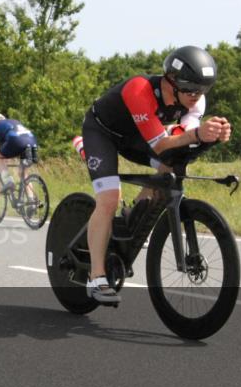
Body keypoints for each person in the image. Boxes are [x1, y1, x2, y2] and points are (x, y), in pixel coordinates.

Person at [80, 46, 231, 304]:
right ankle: (96, 278)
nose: (196, 96)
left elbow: (182, 139)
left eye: (202, 90)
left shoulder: (196, 100)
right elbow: (161, 145)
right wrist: (198, 134)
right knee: (109, 198)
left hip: (136, 136)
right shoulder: (139, 90)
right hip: (102, 133)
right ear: (172, 81)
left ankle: (134, 215)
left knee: (171, 167)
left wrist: (213, 136)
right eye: (190, 90)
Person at [0, 113, 38, 191]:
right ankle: (31, 198)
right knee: (23, 174)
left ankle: (8, 181)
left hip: (16, 141)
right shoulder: (14, 121)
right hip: (32, 141)